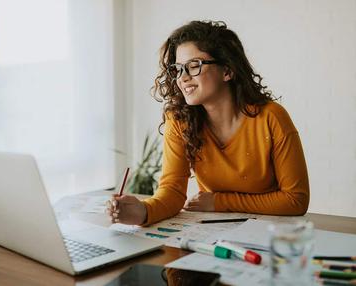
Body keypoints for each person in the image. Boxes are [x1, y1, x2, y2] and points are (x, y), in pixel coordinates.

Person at [106, 20, 309, 226]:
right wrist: (144, 211)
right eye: (178, 69)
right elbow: (173, 191)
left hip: (269, 230)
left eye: (194, 66)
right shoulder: (179, 121)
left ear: (227, 71)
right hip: (211, 229)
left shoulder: (272, 117)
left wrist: (219, 201)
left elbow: (296, 200)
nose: (182, 78)